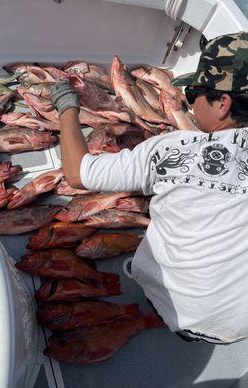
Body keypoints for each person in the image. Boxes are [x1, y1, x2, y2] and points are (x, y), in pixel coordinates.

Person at [50, 31, 248, 344]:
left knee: (158, 275)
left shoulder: (176, 150)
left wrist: (66, 108)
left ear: (222, 103)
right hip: (239, 328)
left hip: (186, 310)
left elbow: (78, 174)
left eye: (195, 91)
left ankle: (164, 311)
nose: (187, 99)